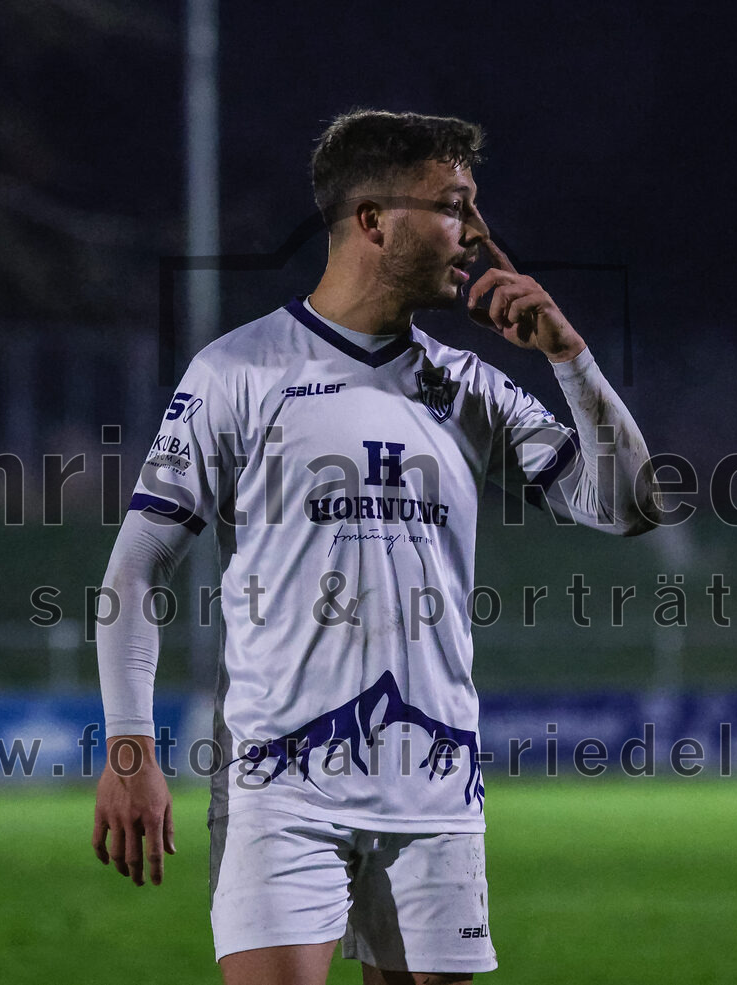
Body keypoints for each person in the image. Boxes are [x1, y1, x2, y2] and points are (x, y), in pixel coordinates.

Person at [92, 109, 660, 985]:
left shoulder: (469, 386)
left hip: (435, 787)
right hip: (279, 785)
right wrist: (130, 748)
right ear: (374, 221)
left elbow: (628, 508)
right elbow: (134, 569)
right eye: (454, 206)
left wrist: (572, 358)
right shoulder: (238, 373)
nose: (477, 235)